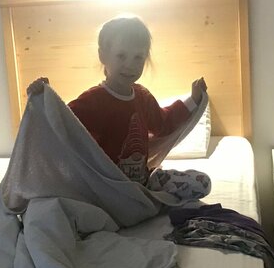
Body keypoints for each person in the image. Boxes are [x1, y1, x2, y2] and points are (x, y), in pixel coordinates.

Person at [27, 14, 207, 184]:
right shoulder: (93, 101)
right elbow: (62, 126)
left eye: (138, 57)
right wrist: (43, 99)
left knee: (201, 182)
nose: (130, 65)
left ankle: (144, 197)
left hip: (142, 182)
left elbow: (164, 123)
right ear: (103, 56)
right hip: (108, 186)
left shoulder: (143, 97)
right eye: (121, 56)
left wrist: (193, 99)